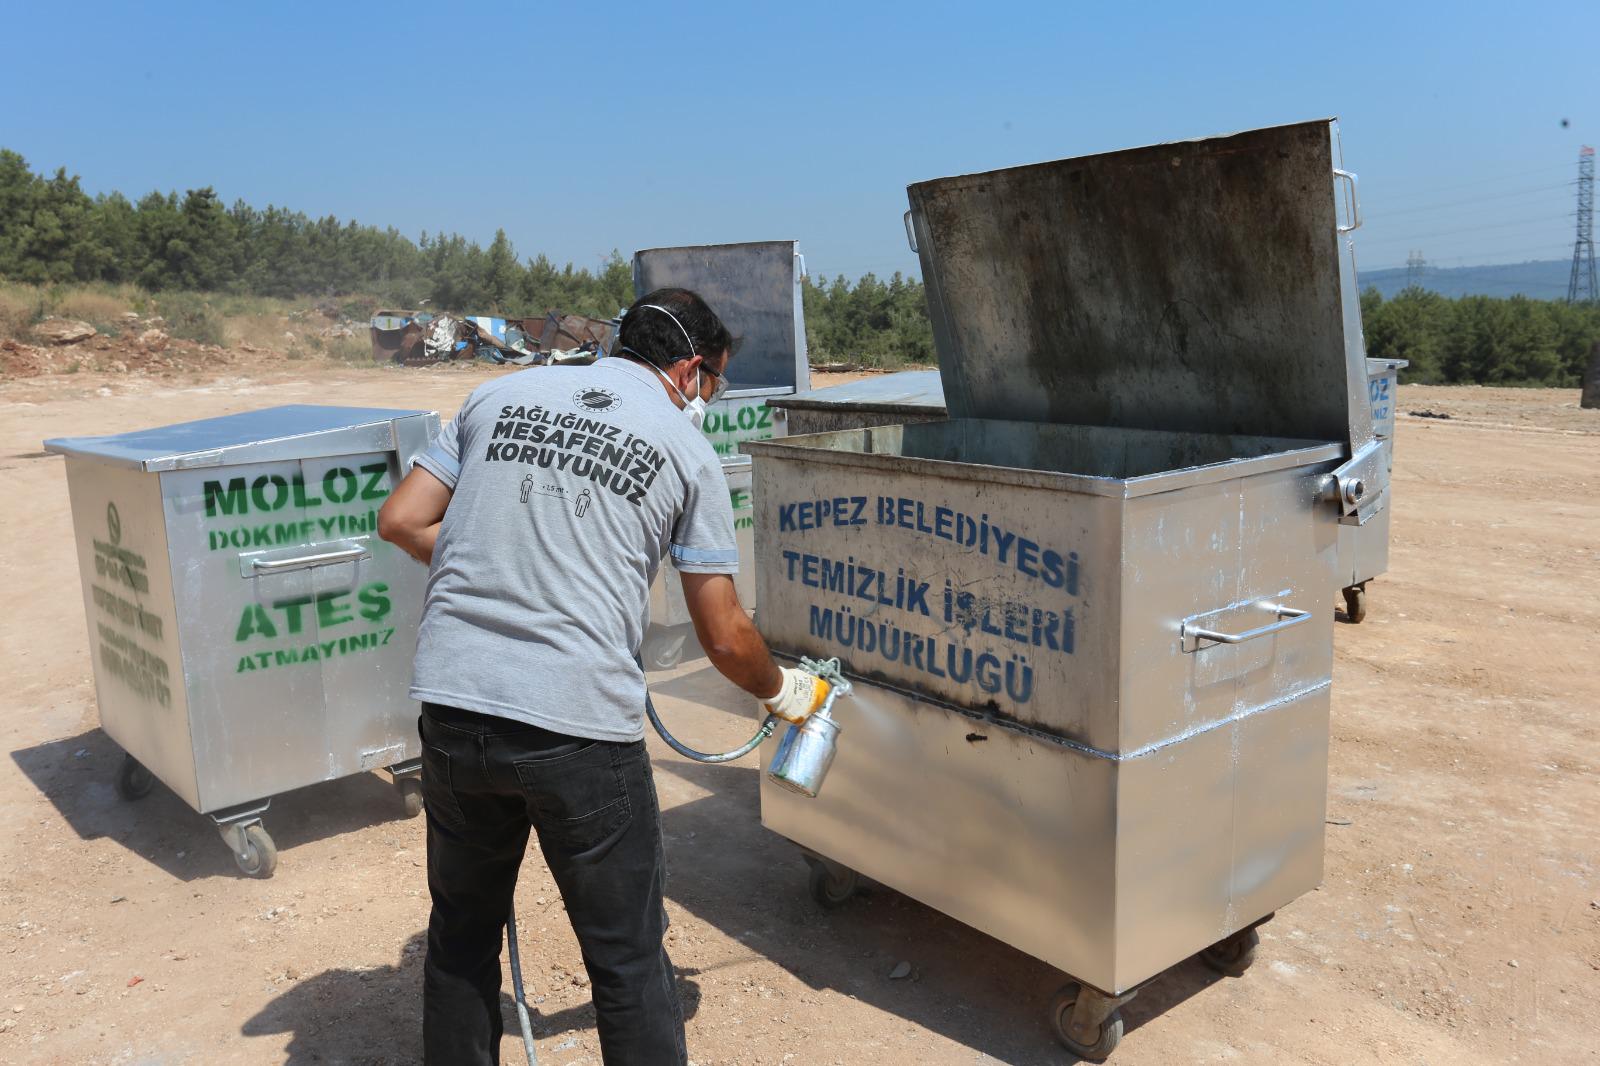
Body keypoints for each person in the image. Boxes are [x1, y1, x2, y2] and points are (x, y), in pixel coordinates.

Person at [377, 287, 832, 1066]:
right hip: (578, 729)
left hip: (454, 708)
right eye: (715, 382)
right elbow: (723, 636)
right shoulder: (688, 452)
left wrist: (502, 563)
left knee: (461, 939)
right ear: (691, 369)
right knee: (626, 960)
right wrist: (784, 692)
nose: (710, 398)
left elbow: (402, 520)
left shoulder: (497, 394)